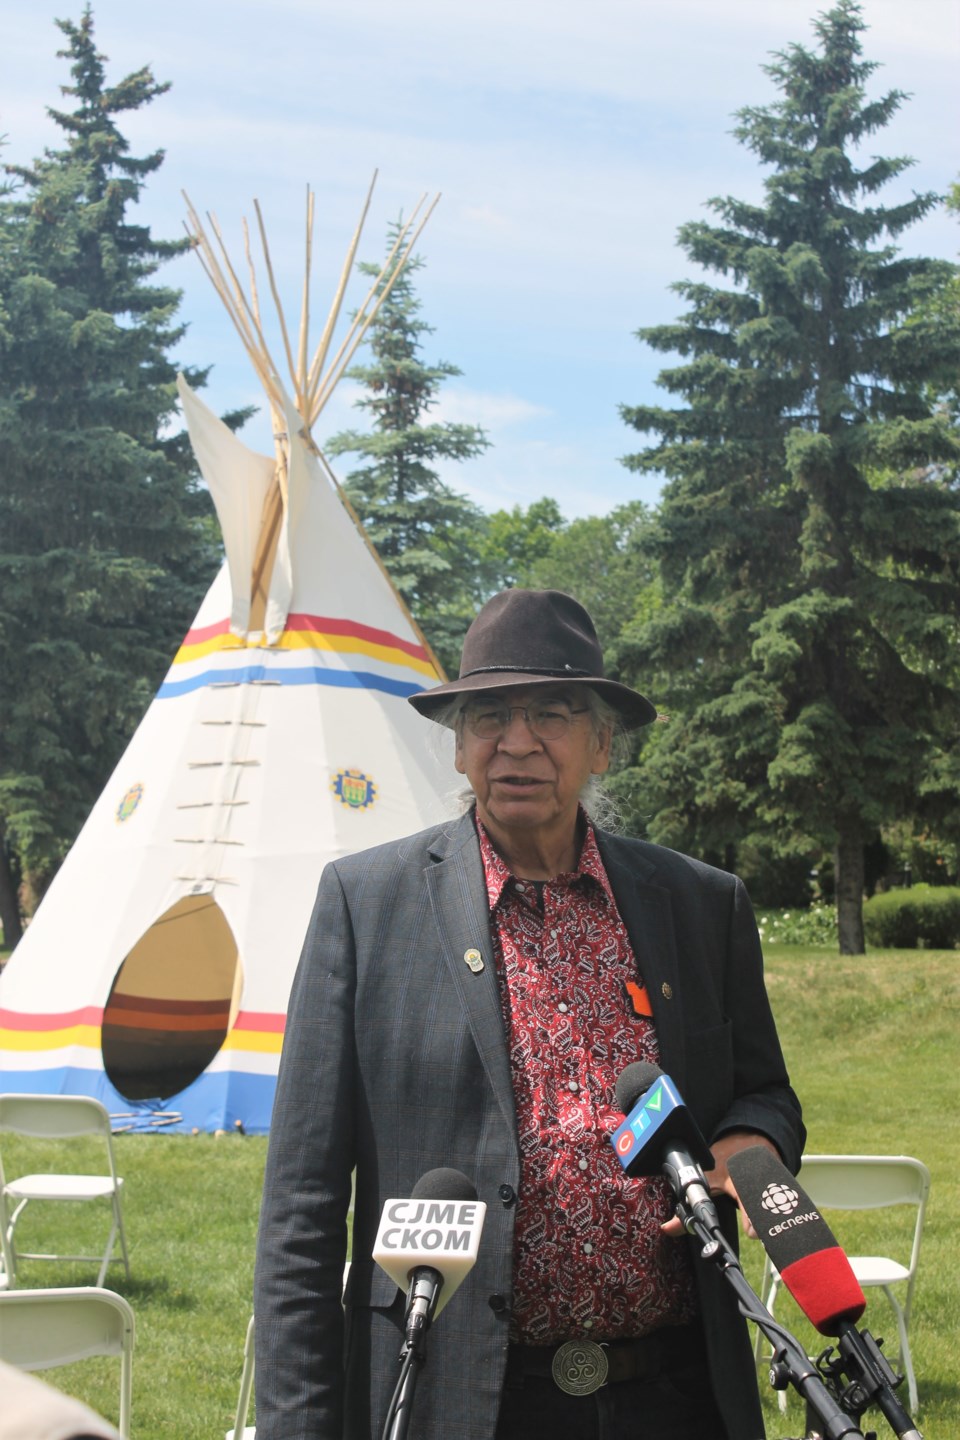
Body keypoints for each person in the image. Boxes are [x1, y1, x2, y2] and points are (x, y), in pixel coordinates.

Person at [254, 588, 805, 1440]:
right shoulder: (367, 907)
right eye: (489, 716)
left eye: (551, 712)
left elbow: (765, 1093)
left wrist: (753, 1138)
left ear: (602, 744)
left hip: (679, 1393)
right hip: (455, 1397)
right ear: (458, 748)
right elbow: (302, 1210)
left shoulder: (699, 905)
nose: (518, 742)